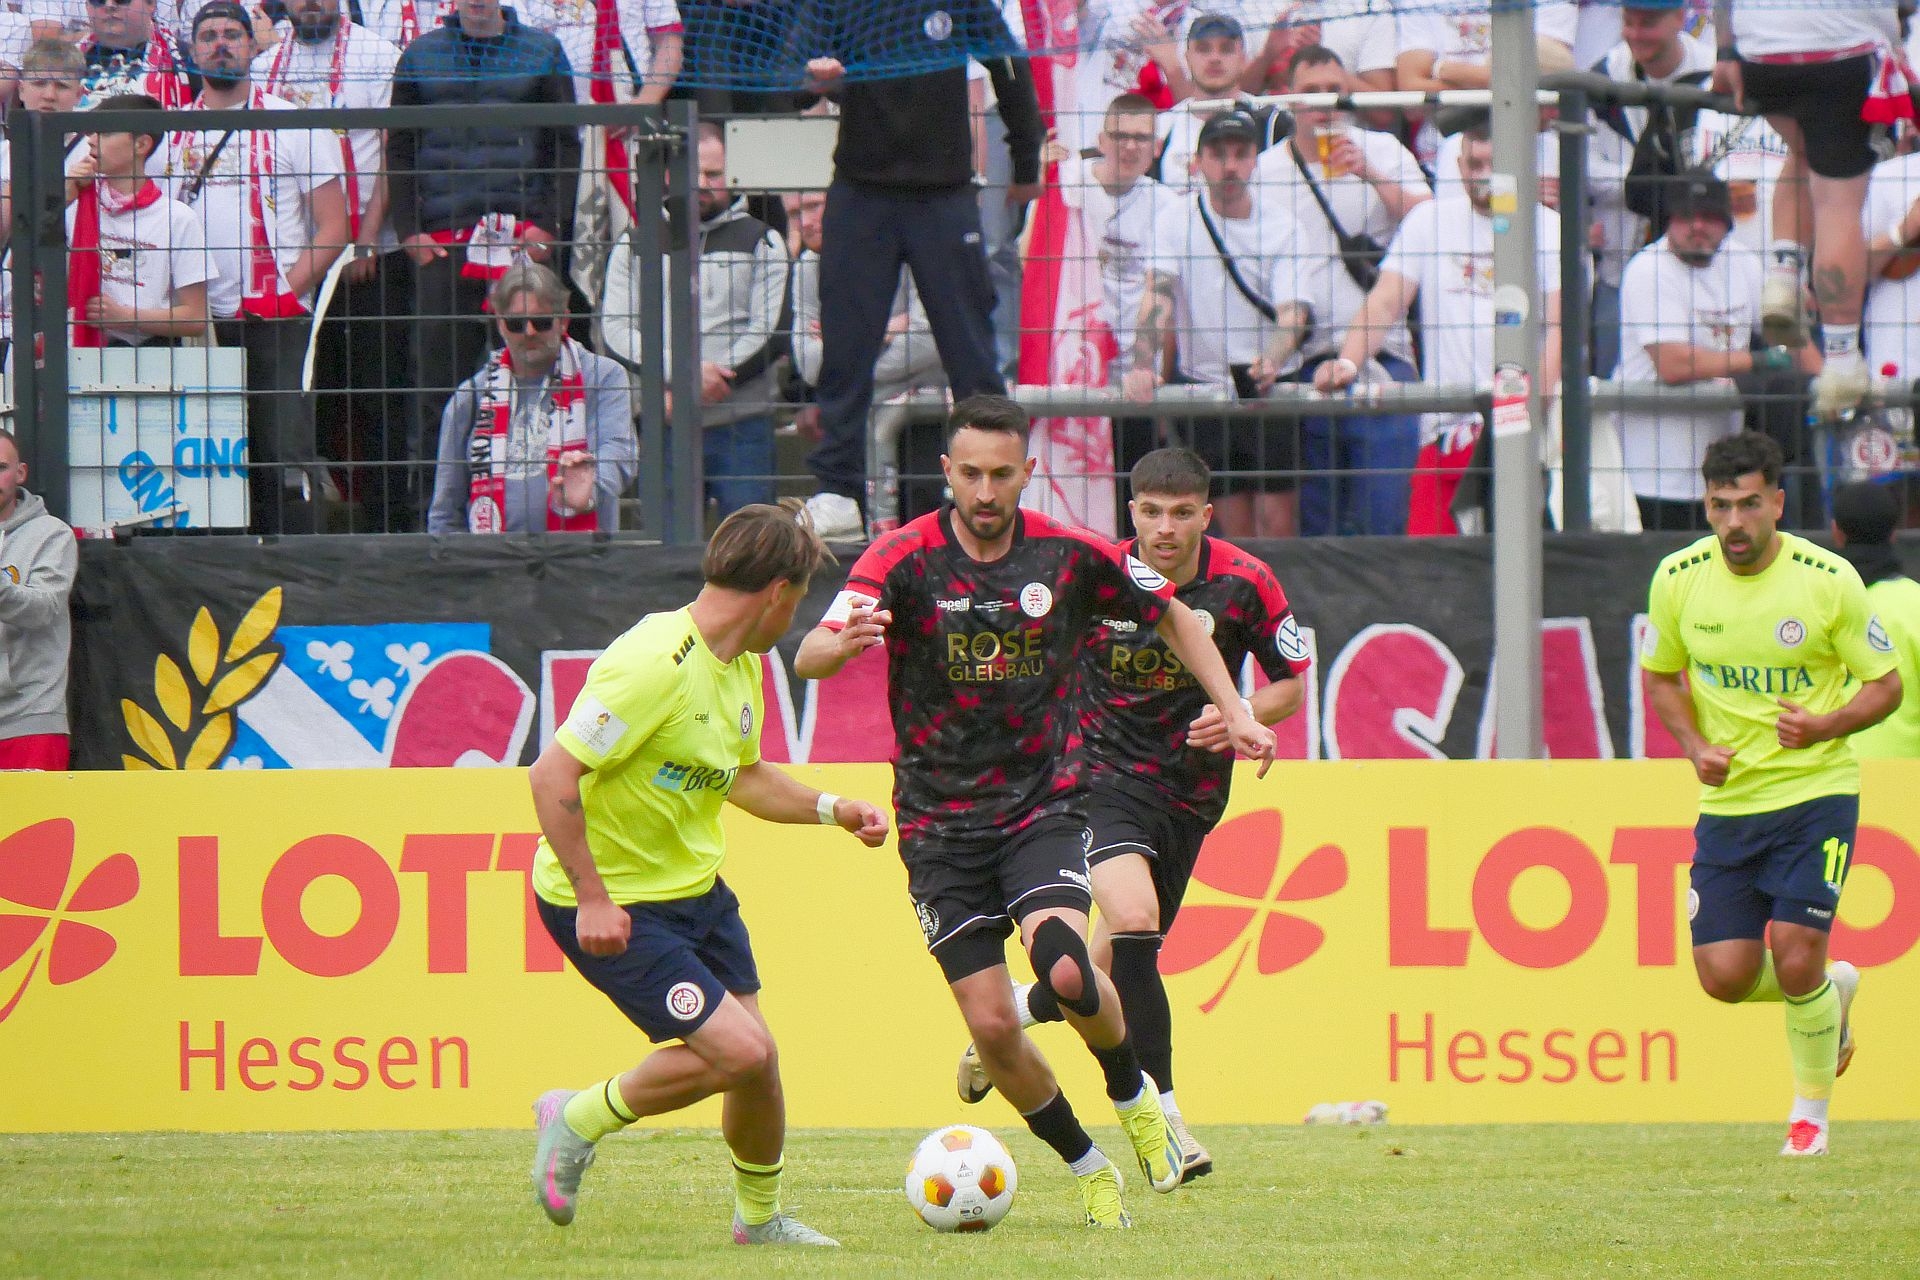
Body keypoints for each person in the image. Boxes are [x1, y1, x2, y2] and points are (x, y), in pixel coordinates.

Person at [793, 394, 1277, 1228]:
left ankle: (1138, 1105)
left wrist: (1236, 709)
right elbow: (809, 653)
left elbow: (1174, 616)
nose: (985, 491)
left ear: (1028, 471)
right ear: (946, 473)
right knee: (991, 1027)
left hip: (1042, 806)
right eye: (969, 474)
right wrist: (838, 645)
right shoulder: (900, 558)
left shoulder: (1069, 553)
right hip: (939, 827)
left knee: (1066, 967)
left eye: (1001, 474)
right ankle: (1088, 1166)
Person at [525, 499, 888, 1245]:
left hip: (697, 895)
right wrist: (592, 898)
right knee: (741, 1052)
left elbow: (742, 778)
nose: (798, 614)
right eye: (801, 599)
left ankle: (759, 1222)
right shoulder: (652, 663)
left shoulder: (742, 666)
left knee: (759, 1063)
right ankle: (577, 1116)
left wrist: (834, 809)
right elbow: (551, 774)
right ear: (779, 592)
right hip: (614, 903)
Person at [955, 447, 1311, 1183]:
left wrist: (1241, 712)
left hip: (1188, 794)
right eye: (1151, 512)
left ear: (1206, 515)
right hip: (1094, 778)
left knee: (1106, 969)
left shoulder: (1246, 582)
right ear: (1132, 513)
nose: (1165, 529)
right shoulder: (1098, 574)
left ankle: (1015, 1013)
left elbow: (1290, 687)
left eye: (1181, 514)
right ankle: (1167, 1124)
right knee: (1134, 916)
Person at [1642, 430, 1902, 1156]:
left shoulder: (1827, 579)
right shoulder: (1678, 578)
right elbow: (1660, 677)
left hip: (1816, 794)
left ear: (1779, 503)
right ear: (1705, 505)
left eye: (1750, 504)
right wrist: (1695, 747)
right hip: (1730, 804)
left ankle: (1808, 1119)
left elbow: (1885, 686)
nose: (1735, 522)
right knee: (1724, 977)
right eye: (1720, 505)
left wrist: (1825, 725)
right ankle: (1830, 989)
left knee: (1793, 950)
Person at [795, 1, 1043, 541]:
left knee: (972, 353)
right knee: (845, 349)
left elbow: (1008, 64)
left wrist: (1027, 157)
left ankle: (989, 486)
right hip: (862, 192)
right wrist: (815, 79)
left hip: (944, 195)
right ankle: (839, 492)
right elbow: (794, 73)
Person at [152, 2, 350, 534]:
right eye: (209, 35)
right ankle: (219, 554)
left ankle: (292, 558)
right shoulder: (167, 136)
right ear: (192, 51)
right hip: (197, 322)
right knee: (208, 451)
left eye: (232, 34)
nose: (221, 43)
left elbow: (335, 226)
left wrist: (288, 289)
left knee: (279, 449)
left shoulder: (296, 124)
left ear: (252, 45)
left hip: (277, 317)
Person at [1315, 115, 1562, 537]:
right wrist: (1349, 362)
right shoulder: (1429, 221)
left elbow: (1560, 328)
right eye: (1474, 164)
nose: (1482, 175)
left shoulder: (1549, 228)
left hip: (1520, 432)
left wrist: (1528, 412)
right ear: (1460, 166)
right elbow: (1386, 300)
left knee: (1521, 561)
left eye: (1494, 164)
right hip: (1444, 430)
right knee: (1433, 561)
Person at [389, 0, 579, 518]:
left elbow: (566, 145)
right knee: (437, 386)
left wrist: (548, 228)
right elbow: (399, 146)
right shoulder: (419, 55)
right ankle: (433, 517)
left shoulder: (544, 51)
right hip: (443, 246)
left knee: (534, 377)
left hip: (522, 246)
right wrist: (409, 232)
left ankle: (538, 508)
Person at [1124, 109, 1326, 539]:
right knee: (1229, 525)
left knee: (1277, 521)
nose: (1229, 165)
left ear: (1255, 160)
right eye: (1218, 154)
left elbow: (1294, 313)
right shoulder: (1175, 219)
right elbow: (1157, 296)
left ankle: (1276, 588)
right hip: (1206, 387)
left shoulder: (1284, 227)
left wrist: (1271, 360)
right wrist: (1142, 364)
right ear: (1198, 162)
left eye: (1240, 153)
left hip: (1271, 389)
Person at [1257, 46, 1428, 535]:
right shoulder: (1265, 172)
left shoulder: (1383, 150)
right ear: (1288, 99)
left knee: (1384, 516)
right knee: (1319, 525)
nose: (1324, 104)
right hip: (1301, 361)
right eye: (1310, 92)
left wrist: (1370, 174)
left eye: (1334, 91)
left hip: (1382, 355)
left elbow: (1433, 223)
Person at [258, 0, 410, 529]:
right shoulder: (266, 65)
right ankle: (305, 512)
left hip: (370, 258)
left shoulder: (379, 55)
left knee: (376, 392)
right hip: (294, 263)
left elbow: (393, 152)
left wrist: (366, 238)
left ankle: (385, 517)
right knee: (304, 391)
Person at [1711, 0, 1902, 419]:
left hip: (1762, 50)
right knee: (1838, 203)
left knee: (1801, 156)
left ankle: (1783, 277)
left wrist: (1725, 50)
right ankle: (1842, 360)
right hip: (1842, 46)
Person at [602, 124, 789, 521]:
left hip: (743, 424)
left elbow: (771, 331)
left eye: (714, 174)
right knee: (667, 547)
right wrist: (686, 374)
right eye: (693, 173)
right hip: (665, 423)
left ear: (734, 176)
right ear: (670, 175)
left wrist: (712, 381)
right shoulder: (634, 242)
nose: (703, 184)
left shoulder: (764, 240)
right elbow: (615, 330)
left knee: (752, 546)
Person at [1616, 171, 1819, 531]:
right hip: (1656, 469)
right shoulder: (1647, 269)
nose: (1698, 226)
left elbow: (1788, 334)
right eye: (1686, 216)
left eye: (1709, 217)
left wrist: (1824, 381)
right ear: (1669, 220)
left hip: (1725, 473)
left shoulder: (1742, 262)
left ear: (1727, 223)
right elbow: (1673, 364)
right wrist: (1756, 361)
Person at [428, 262, 637, 533]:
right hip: (489, 556)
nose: (529, 332)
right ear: (500, 324)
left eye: (542, 322)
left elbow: (619, 452)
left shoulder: (602, 376)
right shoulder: (470, 396)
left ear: (563, 321)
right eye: (516, 323)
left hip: (583, 553)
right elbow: (445, 510)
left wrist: (588, 490)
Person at [785, 187, 944, 534]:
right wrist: (889, 330)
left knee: (924, 525)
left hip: (922, 417)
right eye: (794, 213)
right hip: (855, 422)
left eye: (814, 206)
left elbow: (931, 342)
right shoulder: (809, 267)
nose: (805, 222)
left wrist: (845, 344)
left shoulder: (910, 251)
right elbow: (810, 367)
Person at [1586, 0, 1717, 377]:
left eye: (1648, 23)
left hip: (1701, 267)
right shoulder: (1603, 76)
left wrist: (1656, 178)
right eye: (1629, 22)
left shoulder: (1711, 72)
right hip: (1620, 265)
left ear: (1680, 18)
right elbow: (1586, 170)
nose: (1635, 34)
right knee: (1613, 388)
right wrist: (1655, 174)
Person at [67, 94, 211, 349]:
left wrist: (126, 317)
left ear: (141, 144)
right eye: (91, 132)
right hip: (79, 350)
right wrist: (63, 195)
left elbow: (195, 318)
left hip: (152, 354)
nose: (91, 140)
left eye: (105, 132)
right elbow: (22, 262)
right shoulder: (77, 200)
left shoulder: (177, 218)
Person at [0, 429, 75, 771]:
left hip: (28, 720)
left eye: (1, 467)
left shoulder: (51, 534)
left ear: (20, 473)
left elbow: (44, 609)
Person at [1830, 480, 1920, 757]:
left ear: (1836, 532)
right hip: (1906, 773)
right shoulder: (1915, 602)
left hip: (1828, 773)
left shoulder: (1814, 601)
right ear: (1893, 534)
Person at [1153, 11, 1285, 194]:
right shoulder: (1163, 126)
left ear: (1243, 59)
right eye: (1203, 49)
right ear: (1187, 58)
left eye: (1226, 49)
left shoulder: (1272, 122)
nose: (1214, 58)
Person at [77, 0, 190, 108]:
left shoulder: (187, 62)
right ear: (87, 7)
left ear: (151, 3)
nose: (109, 5)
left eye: (121, 0)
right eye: (99, 0)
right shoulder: (70, 61)